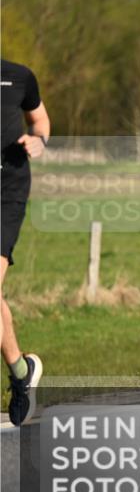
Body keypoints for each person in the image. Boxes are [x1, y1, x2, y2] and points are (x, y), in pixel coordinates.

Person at [1, 59, 49, 425]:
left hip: (8, 191)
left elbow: (40, 120)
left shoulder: (19, 76)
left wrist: (39, 140)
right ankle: (21, 371)